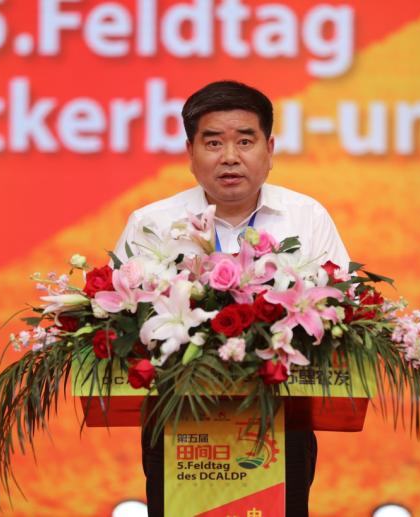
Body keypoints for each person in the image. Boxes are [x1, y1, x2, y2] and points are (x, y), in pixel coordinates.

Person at [112, 80, 352, 517]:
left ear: (270, 149)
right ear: (190, 153)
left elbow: (342, 308)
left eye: (245, 141)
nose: (229, 156)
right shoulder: (152, 223)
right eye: (213, 142)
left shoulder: (306, 217)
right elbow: (121, 319)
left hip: (281, 423)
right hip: (179, 423)